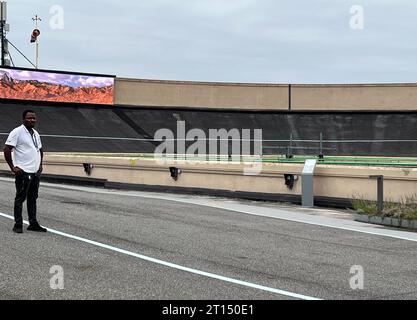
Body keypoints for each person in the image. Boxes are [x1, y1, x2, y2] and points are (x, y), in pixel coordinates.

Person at [3, 110, 47, 233]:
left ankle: (33, 223)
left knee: (33, 198)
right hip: (23, 171)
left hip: (35, 172)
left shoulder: (35, 133)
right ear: (23, 119)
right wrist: (13, 167)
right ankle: (18, 224)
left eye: (33, 118)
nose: (31, 120)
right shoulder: (17, 132)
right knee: (20, 198)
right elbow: (7, 149)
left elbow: (40, 150)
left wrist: (40, 164)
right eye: (29, 118)